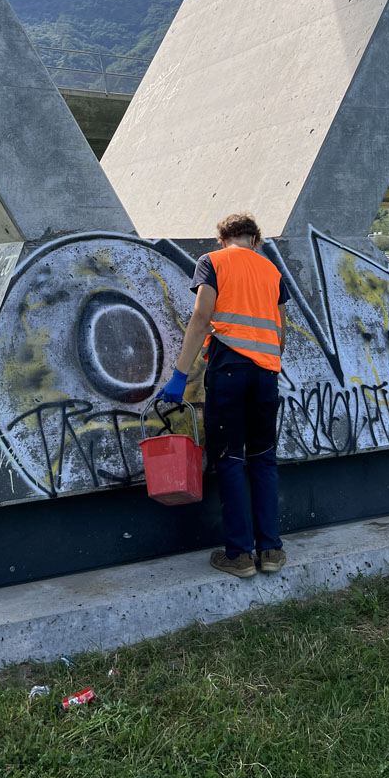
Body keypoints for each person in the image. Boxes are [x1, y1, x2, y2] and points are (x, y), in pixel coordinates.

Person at [157, 213, 288, 578]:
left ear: (222, 239)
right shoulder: (272, 271)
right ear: (255, 239)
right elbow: (281, 334)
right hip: (266, 375)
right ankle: (271, 551)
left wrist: (180, 376)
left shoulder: (212, 262)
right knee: (263, 458)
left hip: (229, 371)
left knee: (230, 459)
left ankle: (239, 556)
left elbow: (202, 318)